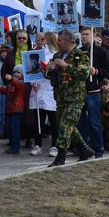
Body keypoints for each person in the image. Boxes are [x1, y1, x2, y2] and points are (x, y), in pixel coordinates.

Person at [46, 30, 94, 167]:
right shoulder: (58, 55)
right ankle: (85, 150)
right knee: (69, 127)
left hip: (75, 97)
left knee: (65, 126)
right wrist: (49, 69)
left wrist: (66, 66)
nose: (58, 43)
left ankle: (61, 157)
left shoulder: (81, 55)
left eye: (60, 40)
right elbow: (48, 75)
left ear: (70, 41)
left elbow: (84, 73)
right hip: (60, 98)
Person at [79, 26, 109, 157]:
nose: (84, 36)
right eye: (82, 34)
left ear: (93, 35)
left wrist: (97, 72)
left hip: (94, 91)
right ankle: (84, 150)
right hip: (80, 91)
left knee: (94, 122)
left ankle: (98, 149)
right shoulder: (79, 52)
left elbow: (108, 72)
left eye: (87, 34)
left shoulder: (101, 52)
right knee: (81, 123)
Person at [0, 65, 28, 155]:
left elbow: (17, 84)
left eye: (18, 72)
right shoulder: (11, 84)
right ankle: (12, 146)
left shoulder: (23, 83)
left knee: (15, 129)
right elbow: (4, 90)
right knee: (10, 129)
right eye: (14, 72)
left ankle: (15, 148)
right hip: (10, 109)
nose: (16, 74)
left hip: (17, 109)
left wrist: (11, 78)